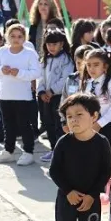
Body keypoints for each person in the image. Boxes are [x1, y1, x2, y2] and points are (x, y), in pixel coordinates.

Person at [47, 93, 111, 221]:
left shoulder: (102, 142)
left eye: (79, 114)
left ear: (94, 116)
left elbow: (105, 171)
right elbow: (54, 170)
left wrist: (92, 194)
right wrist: (68, 191)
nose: (73, 120)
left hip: (90, 200)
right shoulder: (64, 142)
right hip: (67, 199)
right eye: (69, 116)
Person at [0, 24, 41, 166]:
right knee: (8, 125)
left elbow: (37, 72)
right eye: (12, 36)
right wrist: (2, 70)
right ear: (7, 37)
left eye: (19, 36)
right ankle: (8, 151)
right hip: (5, 95)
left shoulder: (29, 53)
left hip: (23, 97)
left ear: (24, 38)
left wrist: (20, 73)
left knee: (25, 125)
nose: (16, 39)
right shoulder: (2, 51)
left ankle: (28, 152)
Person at [37, 29, 75, 162]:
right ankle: (53, 149)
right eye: (49, 44)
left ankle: (61, 151)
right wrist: (41, 91)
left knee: (59, 124)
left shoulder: (66, 60)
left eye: (55, 44)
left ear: (62, 44)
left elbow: (65, 78)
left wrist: (52, 91)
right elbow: (40, 77)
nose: (51, 47)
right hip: (46, 98)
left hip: (59, 97)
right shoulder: (45, 59)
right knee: (48, 123)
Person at [61, 45, 94, 133]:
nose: (81, 67)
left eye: (84, 64)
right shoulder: (70, 79)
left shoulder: (95, 80)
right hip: (73, 123)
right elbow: (64, 100)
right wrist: (64, 121)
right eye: (78, 63)